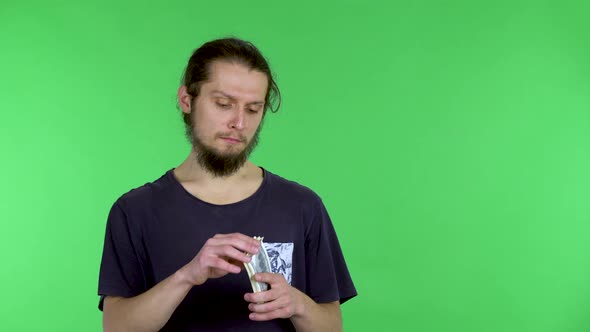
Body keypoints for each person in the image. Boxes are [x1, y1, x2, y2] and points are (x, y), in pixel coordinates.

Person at [97, 37, 357, 331]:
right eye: (223, 104)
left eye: (253, 109)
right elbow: (115, 327)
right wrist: (188, 276)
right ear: (187, 100)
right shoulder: (135, 211)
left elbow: (332, 326)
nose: (239, 123)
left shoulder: (302, 205)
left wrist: (297, 304)